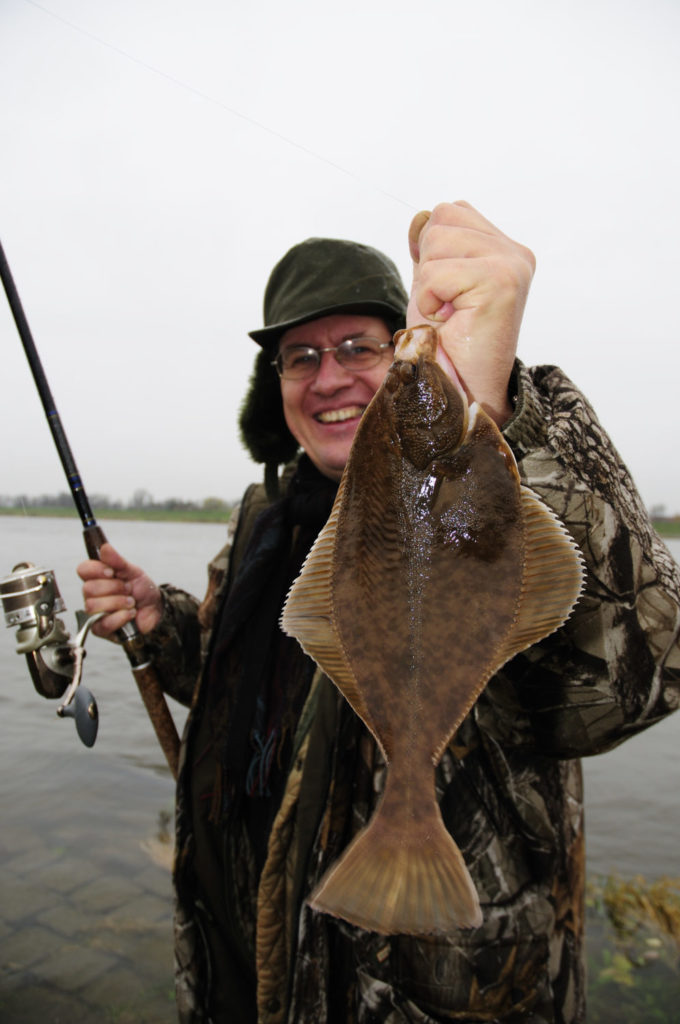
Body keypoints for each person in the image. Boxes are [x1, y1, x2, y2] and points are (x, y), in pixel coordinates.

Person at [78, 202, 680, 1024]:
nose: (329, 377)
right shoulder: (266, 521)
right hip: (246, 971)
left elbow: (628, 679)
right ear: (278, 383)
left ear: (405, 348)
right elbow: (261, 681)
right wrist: (168, 628)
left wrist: (505, 408)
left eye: (359, 347)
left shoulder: (483, 496)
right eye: (300, 357)